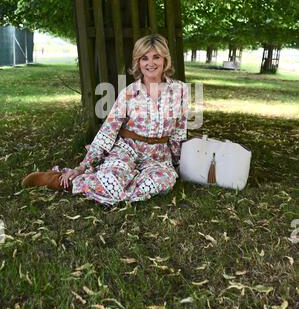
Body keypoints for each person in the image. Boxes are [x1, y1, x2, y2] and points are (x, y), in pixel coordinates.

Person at [22, 34, 188, 205]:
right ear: (138, 62)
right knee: (112, 182)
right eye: (144, 58)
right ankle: (63, 181)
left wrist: (178, 163)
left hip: (158, 157)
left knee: (162, 182)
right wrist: (82, 166)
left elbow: (178, 132)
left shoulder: (180, 91)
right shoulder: (129, 93)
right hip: (127, 150)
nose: (150, 63)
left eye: (156, 57)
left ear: (165, 59)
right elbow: (108, 131)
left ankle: (117, 188)